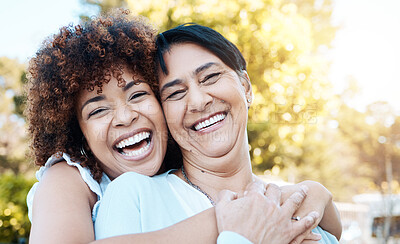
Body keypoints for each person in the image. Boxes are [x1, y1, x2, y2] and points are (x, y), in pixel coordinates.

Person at [26, 11, 328, 244]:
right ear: (78, 136)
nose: (125, 117)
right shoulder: (79, 182)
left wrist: (317, 198)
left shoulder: (283, 200)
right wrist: (237, 223)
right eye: (176, 92)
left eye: (139, 94)